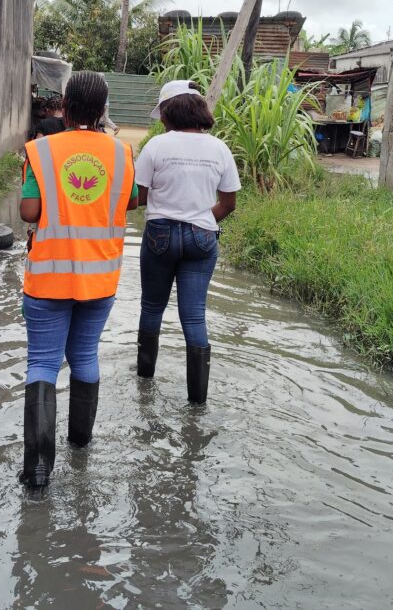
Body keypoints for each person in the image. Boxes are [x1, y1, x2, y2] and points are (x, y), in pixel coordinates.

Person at [19, 71, 138, 488]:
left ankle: (37, 469)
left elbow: (30, 213)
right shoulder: (122, 153)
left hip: (50, 275)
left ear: (65, 107)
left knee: (43, 362)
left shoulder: (40, 151)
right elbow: (131, 201)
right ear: (103, 110)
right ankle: (80, 446)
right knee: (85, 357)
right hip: (100, 279)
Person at [134, 80, 240, 404]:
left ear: (169, 111)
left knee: (152, 307)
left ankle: (144, 381)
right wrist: (201, 224)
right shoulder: (220, 148)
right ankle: (198, 402)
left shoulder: (155, 147)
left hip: (160, 235)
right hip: (202, 237)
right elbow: (228, 203)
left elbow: (141, 198)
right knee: (194, 317)